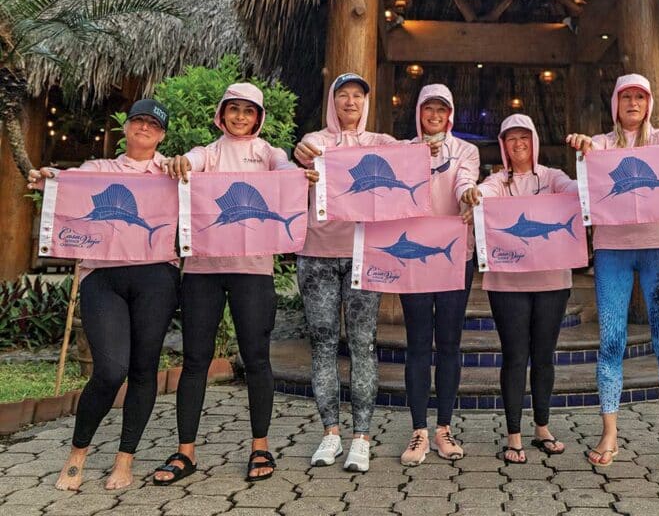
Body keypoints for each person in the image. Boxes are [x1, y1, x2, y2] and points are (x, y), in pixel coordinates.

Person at [153, 83, 316, 485]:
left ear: (258, 117)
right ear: (221, 114)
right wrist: (179, 163)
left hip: (253, 270)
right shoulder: (206, 153)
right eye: (233, 110)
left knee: (257, 359)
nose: (240, 117)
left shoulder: (267, 153)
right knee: (195, 360)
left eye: (248, 111)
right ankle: (185, 451)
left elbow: (284, 169)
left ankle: (260, 446)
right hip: (202, 270)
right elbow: (187, 161)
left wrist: (297, 176)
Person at [29, 99, 180, 491]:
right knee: (110, 370)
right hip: (102, 277)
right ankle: (79, 451)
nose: (144, 128)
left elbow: (202, 186)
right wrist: (48, 178)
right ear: (125, 128)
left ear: (161, 134)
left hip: (156, 276)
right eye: (138, 121)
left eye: (153, 124)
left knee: (144, 370)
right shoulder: (97, 169)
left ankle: (125, 458)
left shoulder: (171, 170)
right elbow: (66, 185)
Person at [565, 74, 659, 472]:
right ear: (615, 103)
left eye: (639, 97)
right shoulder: (602, 144)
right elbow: (588, 154)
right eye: (625, 97)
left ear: (648, 104)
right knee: (611, 340)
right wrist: (582, 145)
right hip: (612, 251)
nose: (632, 103)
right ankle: (609, 431)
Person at [292, 73, 398, 473]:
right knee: (321, 342)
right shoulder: (313, 143)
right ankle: (330, 432)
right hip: (316, 252)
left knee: (363, 344)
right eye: (343, 96)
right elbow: (295, 174)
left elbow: (412, 161)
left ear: (366, 103)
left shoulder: (381, 144)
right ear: (332, 103)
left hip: (362, 253)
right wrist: (301, 160)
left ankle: (362, 437)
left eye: (357, 96)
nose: (350, 102)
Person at [462, 113, 576, 464]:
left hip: (552, 281)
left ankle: (542, 427)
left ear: (534, 140)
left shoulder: (553, 177)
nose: (518, 143)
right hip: (507, 282)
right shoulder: (497, 181)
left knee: (544, 356)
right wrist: (473, 194)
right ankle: (513, 435)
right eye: (510, 138)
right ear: (503, 145)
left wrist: (586, 180)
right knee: (514, 356)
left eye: (523, 136)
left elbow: (575, 191)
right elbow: (482, 193)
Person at [398, 84, 479, 466]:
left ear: (450, 115)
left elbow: (464, 181)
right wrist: (415, 159)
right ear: (419, 112)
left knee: (449, 343)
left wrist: (469, 195)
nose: (434, 115)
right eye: (427, 108)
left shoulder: (467, 151)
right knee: (417, 343)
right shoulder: (402, 149)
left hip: (454, 253)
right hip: (413, 255)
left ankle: (444, 428)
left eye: (440, 109)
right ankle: (418, 431)